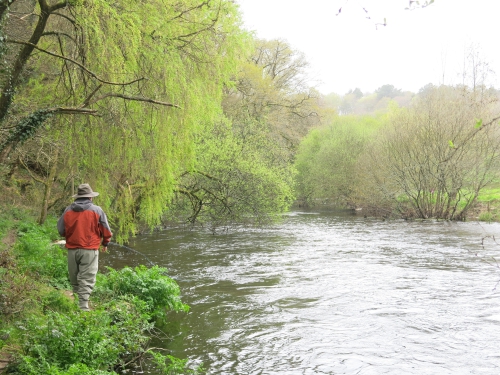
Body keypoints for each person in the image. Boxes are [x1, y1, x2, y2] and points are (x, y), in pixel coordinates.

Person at [57, 183, 112, 311]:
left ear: (77, 197)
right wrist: (105, 243)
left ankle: (77, 301)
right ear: (90, 197)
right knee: (87, 277)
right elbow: (106, 230)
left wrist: (70, 236)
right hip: (89, 250)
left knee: (75, 276)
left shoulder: (68, 210)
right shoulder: (97, 210)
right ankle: (83, 307)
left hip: (72, 250)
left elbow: (61, 229)